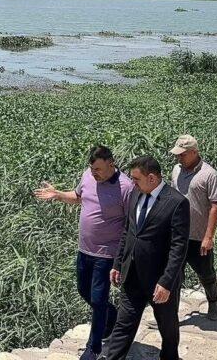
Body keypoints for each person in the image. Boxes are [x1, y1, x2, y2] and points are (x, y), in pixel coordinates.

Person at [35, 145, 134, 360]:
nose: (94, 173)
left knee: (98, 299)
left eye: (98, 169)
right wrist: (58, 194)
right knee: (83, 291)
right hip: (85, 249)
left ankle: (94, 347)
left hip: (106, 253)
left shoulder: (125, 187)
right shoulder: (88, 176)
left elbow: (131, 223)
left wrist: (122, 258)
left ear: (111, 164)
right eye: (91, 168)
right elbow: (78, 196)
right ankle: (111, 316)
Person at [99, 155, 190, 360]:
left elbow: (178, 248)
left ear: (151, 178)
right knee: (124, 324)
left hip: (159, 281)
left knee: (167, 326)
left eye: (136, 179)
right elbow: (128, 231)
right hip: (132, 274)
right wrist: (118, 264)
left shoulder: (177, 203)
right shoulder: (135, 194)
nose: (132, 183)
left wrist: (167, 282)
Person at [169, 134, 217, 319]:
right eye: (177, 154)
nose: (179, 158)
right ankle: (169, 313)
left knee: (205, 273)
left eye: (182, 154)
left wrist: (208, 237)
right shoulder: (176, 170)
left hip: (198, 236)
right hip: (177, 234)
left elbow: (215, 206)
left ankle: (214, 301)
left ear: (194, 152)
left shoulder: (209, 174)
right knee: (173, 275)